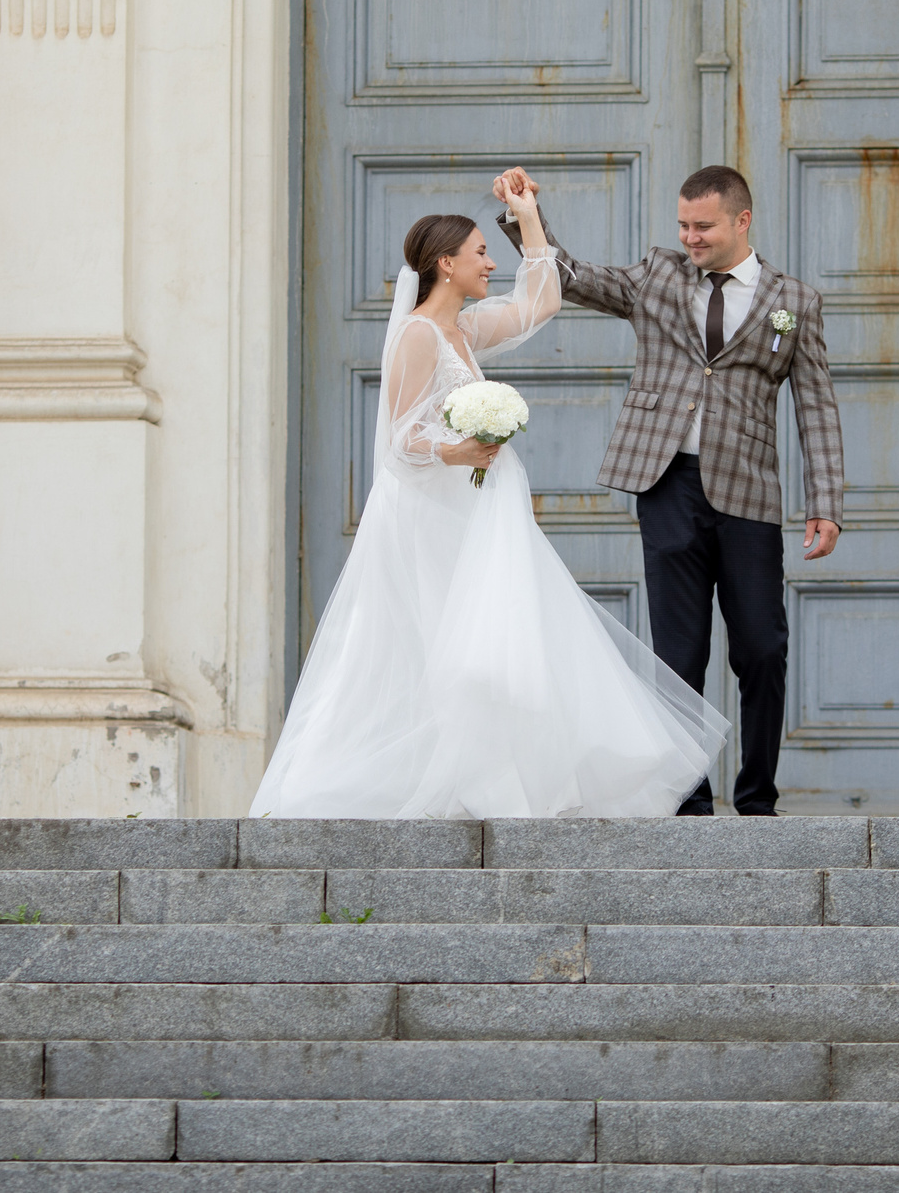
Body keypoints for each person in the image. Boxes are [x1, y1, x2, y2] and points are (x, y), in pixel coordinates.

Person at [248, 179, 727, 818]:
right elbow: (398, 437)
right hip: (435, 518)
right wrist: (458, 450)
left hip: (476, 515)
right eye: (479, 252)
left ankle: (493, 780)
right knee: (455, 648)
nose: (490, 263)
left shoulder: (464, 332)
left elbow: (541, 299)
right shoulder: (418, 335)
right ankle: (458, 784)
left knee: (496, 646)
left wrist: (527, 217)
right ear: (445, 264)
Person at [496, 164, 844, 816]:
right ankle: (689, 805)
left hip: (749, 491)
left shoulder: (794, 303)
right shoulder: (657, 276)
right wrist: (526, 217)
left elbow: (817, 407)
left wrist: (826, 501)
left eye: (703, 225)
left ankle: (758, 798)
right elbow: (572, 277)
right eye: (683, 224)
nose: (690, 236)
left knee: (762, 648)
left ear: (742, 220)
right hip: (665, 484)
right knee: (679, 654)